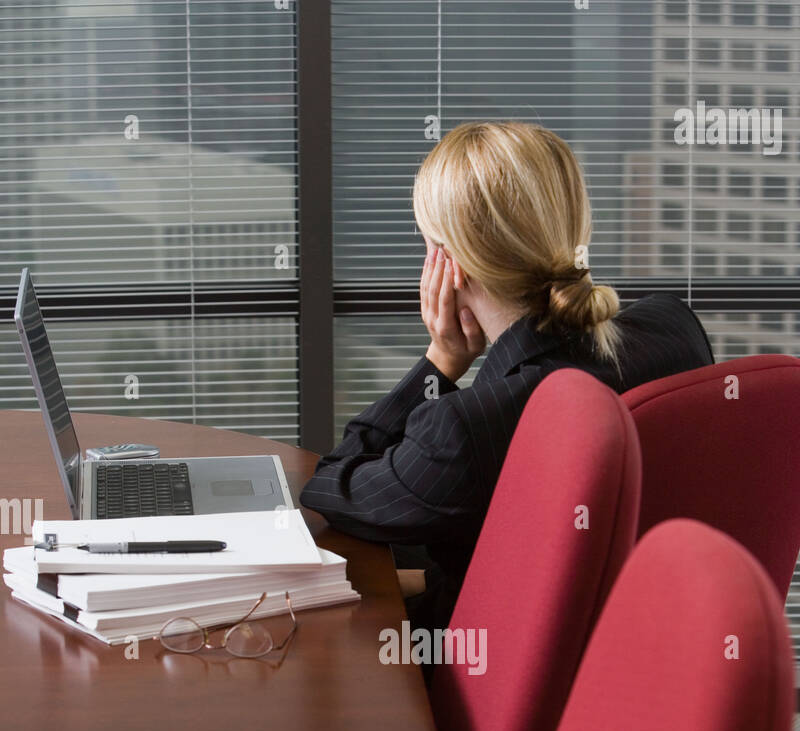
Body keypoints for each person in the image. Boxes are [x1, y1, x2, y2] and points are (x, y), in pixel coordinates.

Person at [300, 121, 714, 630]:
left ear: (448, 263)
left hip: (474, 666)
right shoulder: (673, 328)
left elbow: (332, 487)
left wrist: (441, 359)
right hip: (641, 636)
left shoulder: (467, 428)